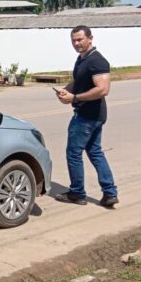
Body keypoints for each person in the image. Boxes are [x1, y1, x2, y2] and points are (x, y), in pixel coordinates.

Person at [55, 25, 119, 208]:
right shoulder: (83, 59)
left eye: (80, 39)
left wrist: (74, 98)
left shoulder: (97, 61)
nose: (76, 43)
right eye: (73, 40)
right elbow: (80, 80)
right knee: (95, 152)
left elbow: (103, 89)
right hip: (92, 115)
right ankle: (110, 193)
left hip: (88, 115)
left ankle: (77, 193)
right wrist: (67, 89)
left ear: (90, 38)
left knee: (74, 154)